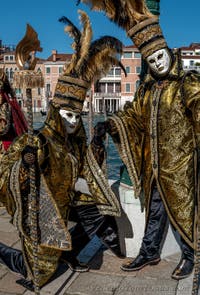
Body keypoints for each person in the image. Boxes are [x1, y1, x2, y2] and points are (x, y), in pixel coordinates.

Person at [0, 10, 125, 290]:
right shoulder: (40, 141)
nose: (72, 122)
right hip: (43, 211)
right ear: (56, 112)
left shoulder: (74, 141)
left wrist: (98, 142)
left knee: (102, 211)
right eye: (67, 116)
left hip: (66, 200)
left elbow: (86, 167)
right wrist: (26, 163)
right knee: (40, 274)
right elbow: (8, 170)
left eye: (76, 117)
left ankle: (69, 253)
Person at [77, 0, 200, 280]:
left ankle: (191, 255)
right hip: (155, 163)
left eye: (161, 58)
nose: (158, 63)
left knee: (184, 210)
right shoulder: (147, 92)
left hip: (181, 164)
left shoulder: (187, 83)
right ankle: (149, 251)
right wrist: (110, 125)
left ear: (168, 53)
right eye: (153, 60)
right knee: (155, 209)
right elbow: (133, 117)